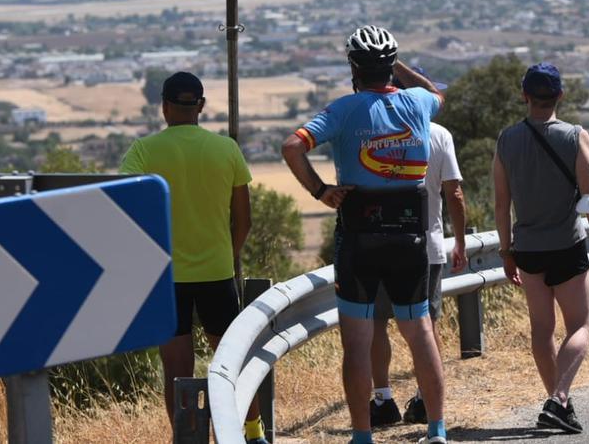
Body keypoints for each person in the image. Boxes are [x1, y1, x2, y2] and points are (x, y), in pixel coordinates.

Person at [282, 25, 449, 444]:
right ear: (391, 67)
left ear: (352, 66)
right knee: (420, 332)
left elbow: (291, 146)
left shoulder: (343, 109)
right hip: (409, 233)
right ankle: (437, 429)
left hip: (360, 234)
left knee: (357, 343)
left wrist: (321, 191)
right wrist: (399, 67)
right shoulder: (418, 103)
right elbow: (436, 92)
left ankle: (362, 436)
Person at [118, 71, 268, 444]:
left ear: (164, 107)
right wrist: (225, 254)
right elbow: (244, 220)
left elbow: (127, 208)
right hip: (217, 272)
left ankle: (185, 439)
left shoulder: (143, 151)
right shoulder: (227, 149)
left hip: (166, 277)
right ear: (201, 105)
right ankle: (253, 434)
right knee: (233, 363)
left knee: (177, 369)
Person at [493, 62, 589, 435]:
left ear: (524, 96)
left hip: (527, 249)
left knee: (541, 329)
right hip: (567, 245)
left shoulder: (506, 140)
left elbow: (500, 202)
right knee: (580, 325)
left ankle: (557, 403)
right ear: (560, 95)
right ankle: (557, 398)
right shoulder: (576, 136)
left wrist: (505, 250)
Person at [369, 68, 467, 428]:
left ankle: (382, 400)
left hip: (379, 243)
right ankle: (427, 400)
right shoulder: (439, 134)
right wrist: (458, 240)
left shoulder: (376, 133)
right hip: (427, 246)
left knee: (376, 323)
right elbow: (453, 192)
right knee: (428, 326)